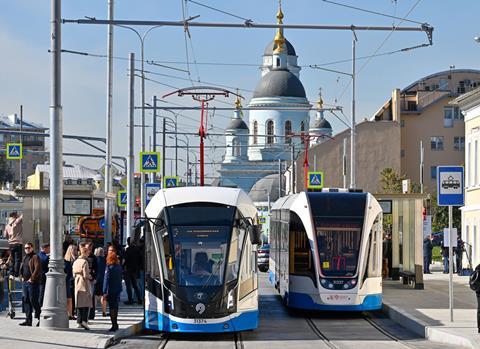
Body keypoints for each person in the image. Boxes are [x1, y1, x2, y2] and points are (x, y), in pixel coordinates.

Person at [19, 242, 42, 326]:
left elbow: (37, 269)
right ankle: (28, 320)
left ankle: (40, 318)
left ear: (32, 248)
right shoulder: (25, 257)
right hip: (25, 282)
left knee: (33, 300)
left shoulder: (35, 257)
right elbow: (22, 268)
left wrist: (31, 279)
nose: (27, 249)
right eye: (25, 248)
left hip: (33, 283)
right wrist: (21, 276)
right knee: (26, 300)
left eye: (28, 248)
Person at [73, 242, 92, 330]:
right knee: (86, 302)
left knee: (79, 303)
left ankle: (78, 321)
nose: (89, 254)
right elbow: (86, 275)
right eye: (88, 252)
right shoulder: (85, 262)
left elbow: (73, 274)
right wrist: (90, 276)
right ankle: (84, 321)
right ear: (84, 253)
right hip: (84, 282)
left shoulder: (76, 261)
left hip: (77, 282)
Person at [103, 249, 123, 331]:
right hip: (118, 289)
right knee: (116, 306)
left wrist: (104, 291)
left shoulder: (109, 267)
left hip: (111, 290)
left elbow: (106, 280)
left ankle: (114, 325)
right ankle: (116, 323)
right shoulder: (119, 267)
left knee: (111, 308)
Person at [123, 237, 142, 305]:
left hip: (128, 269)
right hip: (135, 270)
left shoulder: (128, 250)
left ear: (128, 242)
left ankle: (130, 300)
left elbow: (125, 260)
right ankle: (139, 299)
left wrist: (123, 266)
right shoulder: (137, 249)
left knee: (128, 286)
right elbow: (140, 259)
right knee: (135, 285)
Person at [5, 212, 23, 277]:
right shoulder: (17, 221)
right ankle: (16, 274)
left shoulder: (7, 226)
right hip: (18, 243)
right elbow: (22, 216)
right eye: (17, 214)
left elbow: (6, 235)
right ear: (14, 216)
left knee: (12, 259)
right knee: (18, 259)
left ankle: (11, 273)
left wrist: (10, 239)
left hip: (11, 244)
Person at [64, 244, 77, 319]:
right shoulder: (66, 261)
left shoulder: (76, 259)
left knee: (71, 298)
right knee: (69, 298)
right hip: (68, 281)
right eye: (74, 249)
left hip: (74, 281)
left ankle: (71, 313)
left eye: (76, 249)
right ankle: (69, 313)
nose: (75, 251)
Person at [86, 242, 98, 320]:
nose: (89, 250)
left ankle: (91, 314)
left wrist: (94, 277)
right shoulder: (83, 257)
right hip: (85, 278)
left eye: (90, 248)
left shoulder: (93, 257)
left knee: (91, 296)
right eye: (87, 248)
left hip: (91, 279)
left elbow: (96, 268)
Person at [94, 247, 107, 317]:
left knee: (95, 296)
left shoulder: (95, 260)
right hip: (103, 280)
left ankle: (94, 310)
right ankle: (104, 311)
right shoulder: (105, 260)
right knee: (103, 296)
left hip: (96, 280)